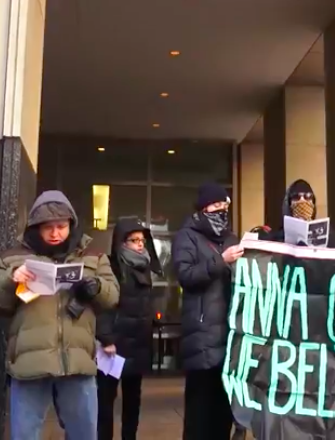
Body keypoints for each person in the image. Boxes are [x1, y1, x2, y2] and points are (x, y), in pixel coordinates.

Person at [0, 190, 120, 440]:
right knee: (24, 434)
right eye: (48, 227)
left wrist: (96, 287)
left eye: (61, 226)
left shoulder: (93, 256)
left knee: (85, 434)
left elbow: (112, 297)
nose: (55, 233)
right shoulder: (12, 258)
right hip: (29, 364)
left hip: (78, 362)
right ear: (35, 227)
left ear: (71, 225)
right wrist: (10, 280)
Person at [174, 183, 242, 440]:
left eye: (225, 206)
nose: (222, 211)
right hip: (201, 337)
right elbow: (186, 275)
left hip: (229, 338)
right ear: (203, 209)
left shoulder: (231, 238)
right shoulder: (187, 236)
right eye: (216, 206)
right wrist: (220, 261)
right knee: (199, 415)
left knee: (222, 415)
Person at [96, 218, 162, 440]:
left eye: (142, 240)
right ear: (122, 243)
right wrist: (106, 338)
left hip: (138, 343)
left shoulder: (145, 266)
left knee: (133, 400)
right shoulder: (111, 266)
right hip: (114, 345)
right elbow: (103, 304)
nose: (140, 245)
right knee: (105, 399)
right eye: (134, 240)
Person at [261, 179, 335, 247]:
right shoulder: (278, 238)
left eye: (308, 196)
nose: (302, 201)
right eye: (296, 197)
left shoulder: (329, 236)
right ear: (289, 203)